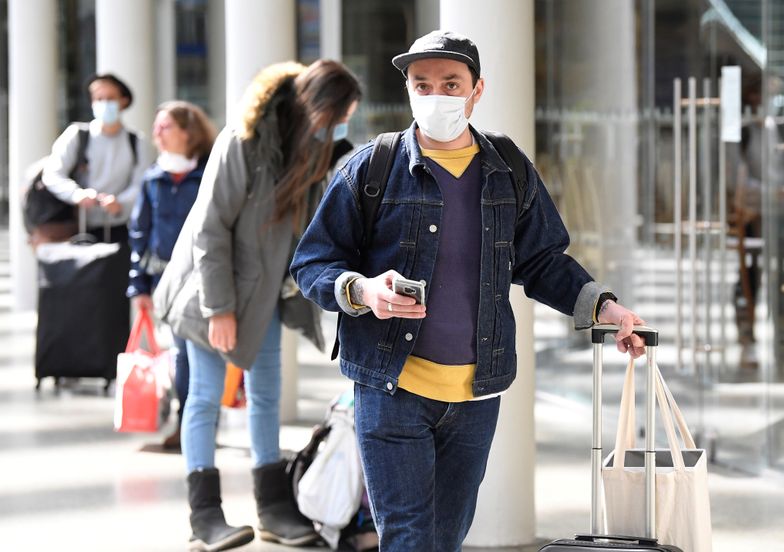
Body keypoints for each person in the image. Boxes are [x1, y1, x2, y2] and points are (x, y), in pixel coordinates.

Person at [290, 30, 647, 551]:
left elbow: (542, 259)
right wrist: (363, 290)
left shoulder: (507, 169)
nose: (436, 96)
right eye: (422, 84)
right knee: (409, 539)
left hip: (476, 395)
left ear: (477, 90)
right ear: (409, 89)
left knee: (446, 538)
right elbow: (312, 262)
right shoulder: (372, 167)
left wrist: (605, 307)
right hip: (391, 388)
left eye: (451, 83)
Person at [153, 60, 362, 551]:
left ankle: (271, 509)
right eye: (338, 116)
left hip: (263, 296)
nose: (340, 127)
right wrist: (219, 309)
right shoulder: (242, 142)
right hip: (209, 292)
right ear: (315, 105)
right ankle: (204, 517)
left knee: (267, 393)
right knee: (204, 397)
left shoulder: (314, 153)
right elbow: (209, 230)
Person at [128, 100, 217, 450]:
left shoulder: (209, 172)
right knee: (182, 355)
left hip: (205, 276)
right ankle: (188, 424)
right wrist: (139, 286)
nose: (157, 134)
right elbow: (140, 234)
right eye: (156, 127)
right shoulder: (153, 178)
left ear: (188, 131)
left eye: (165, 127)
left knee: (203, 353)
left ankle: (201, 423)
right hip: (166, 282)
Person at [42, 73, 148, 246]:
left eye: (110, 98)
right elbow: (53, 174)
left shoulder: (137, 141)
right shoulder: (76, 135)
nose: (104, 104)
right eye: (98, 99)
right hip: (75, 229)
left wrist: (120, 203)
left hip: (120, 229)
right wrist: (76, 194)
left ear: (123, 101)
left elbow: (141, 183)